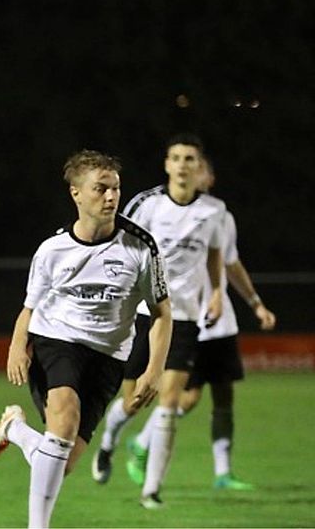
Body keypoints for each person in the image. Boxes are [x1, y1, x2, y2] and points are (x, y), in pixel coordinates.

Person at [0, 149, 171, 528]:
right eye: (101, 188)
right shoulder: (52, 250)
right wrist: (17, 345)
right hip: (56, 341)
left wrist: (154, 370)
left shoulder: (140, 247)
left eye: (115, 188)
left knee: (58, 464)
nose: (111, 197)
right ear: (76, 193)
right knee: (64, 420)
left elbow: (162, 313)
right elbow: (29, 308)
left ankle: (14, 428)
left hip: (110, 357)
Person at [92, 134, 227, 509]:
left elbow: (214, 253)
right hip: (142, 314)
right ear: (167, 164)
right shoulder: (147, 204)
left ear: (199, 167)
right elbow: (118, 244)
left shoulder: (213, 211)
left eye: (190, 159)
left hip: (184, 318)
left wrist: (217, 291)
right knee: (134, 401)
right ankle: (108, 443)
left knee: (169, 403)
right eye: (176, 158)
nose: (183, 165)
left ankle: (151, 491)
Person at [176, 157, 276, 490]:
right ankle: (144, 441)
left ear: (209, 177)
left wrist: (256, 304)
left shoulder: (221, 215)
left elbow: (231, 265)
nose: (193, 172)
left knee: (224, 396)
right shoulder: (166, 213)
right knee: (186, 397)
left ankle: (223, 472)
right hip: (187, 318)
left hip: (221, 322)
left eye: (200, 167)